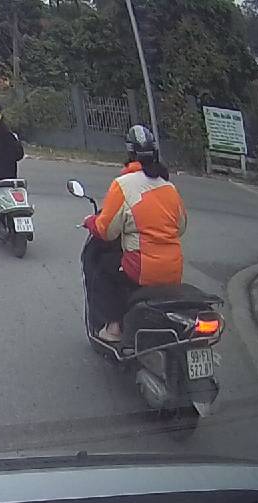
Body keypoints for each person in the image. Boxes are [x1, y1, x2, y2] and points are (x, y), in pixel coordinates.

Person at [82, 125, 187, 343]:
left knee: (102, 267)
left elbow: (106, 231)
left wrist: (90, 222)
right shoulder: (169, 187)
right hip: (174, 270)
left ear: (129, 153)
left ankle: (113, 327)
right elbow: (181, 227)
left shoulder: (123, 184)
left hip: (142, 269)